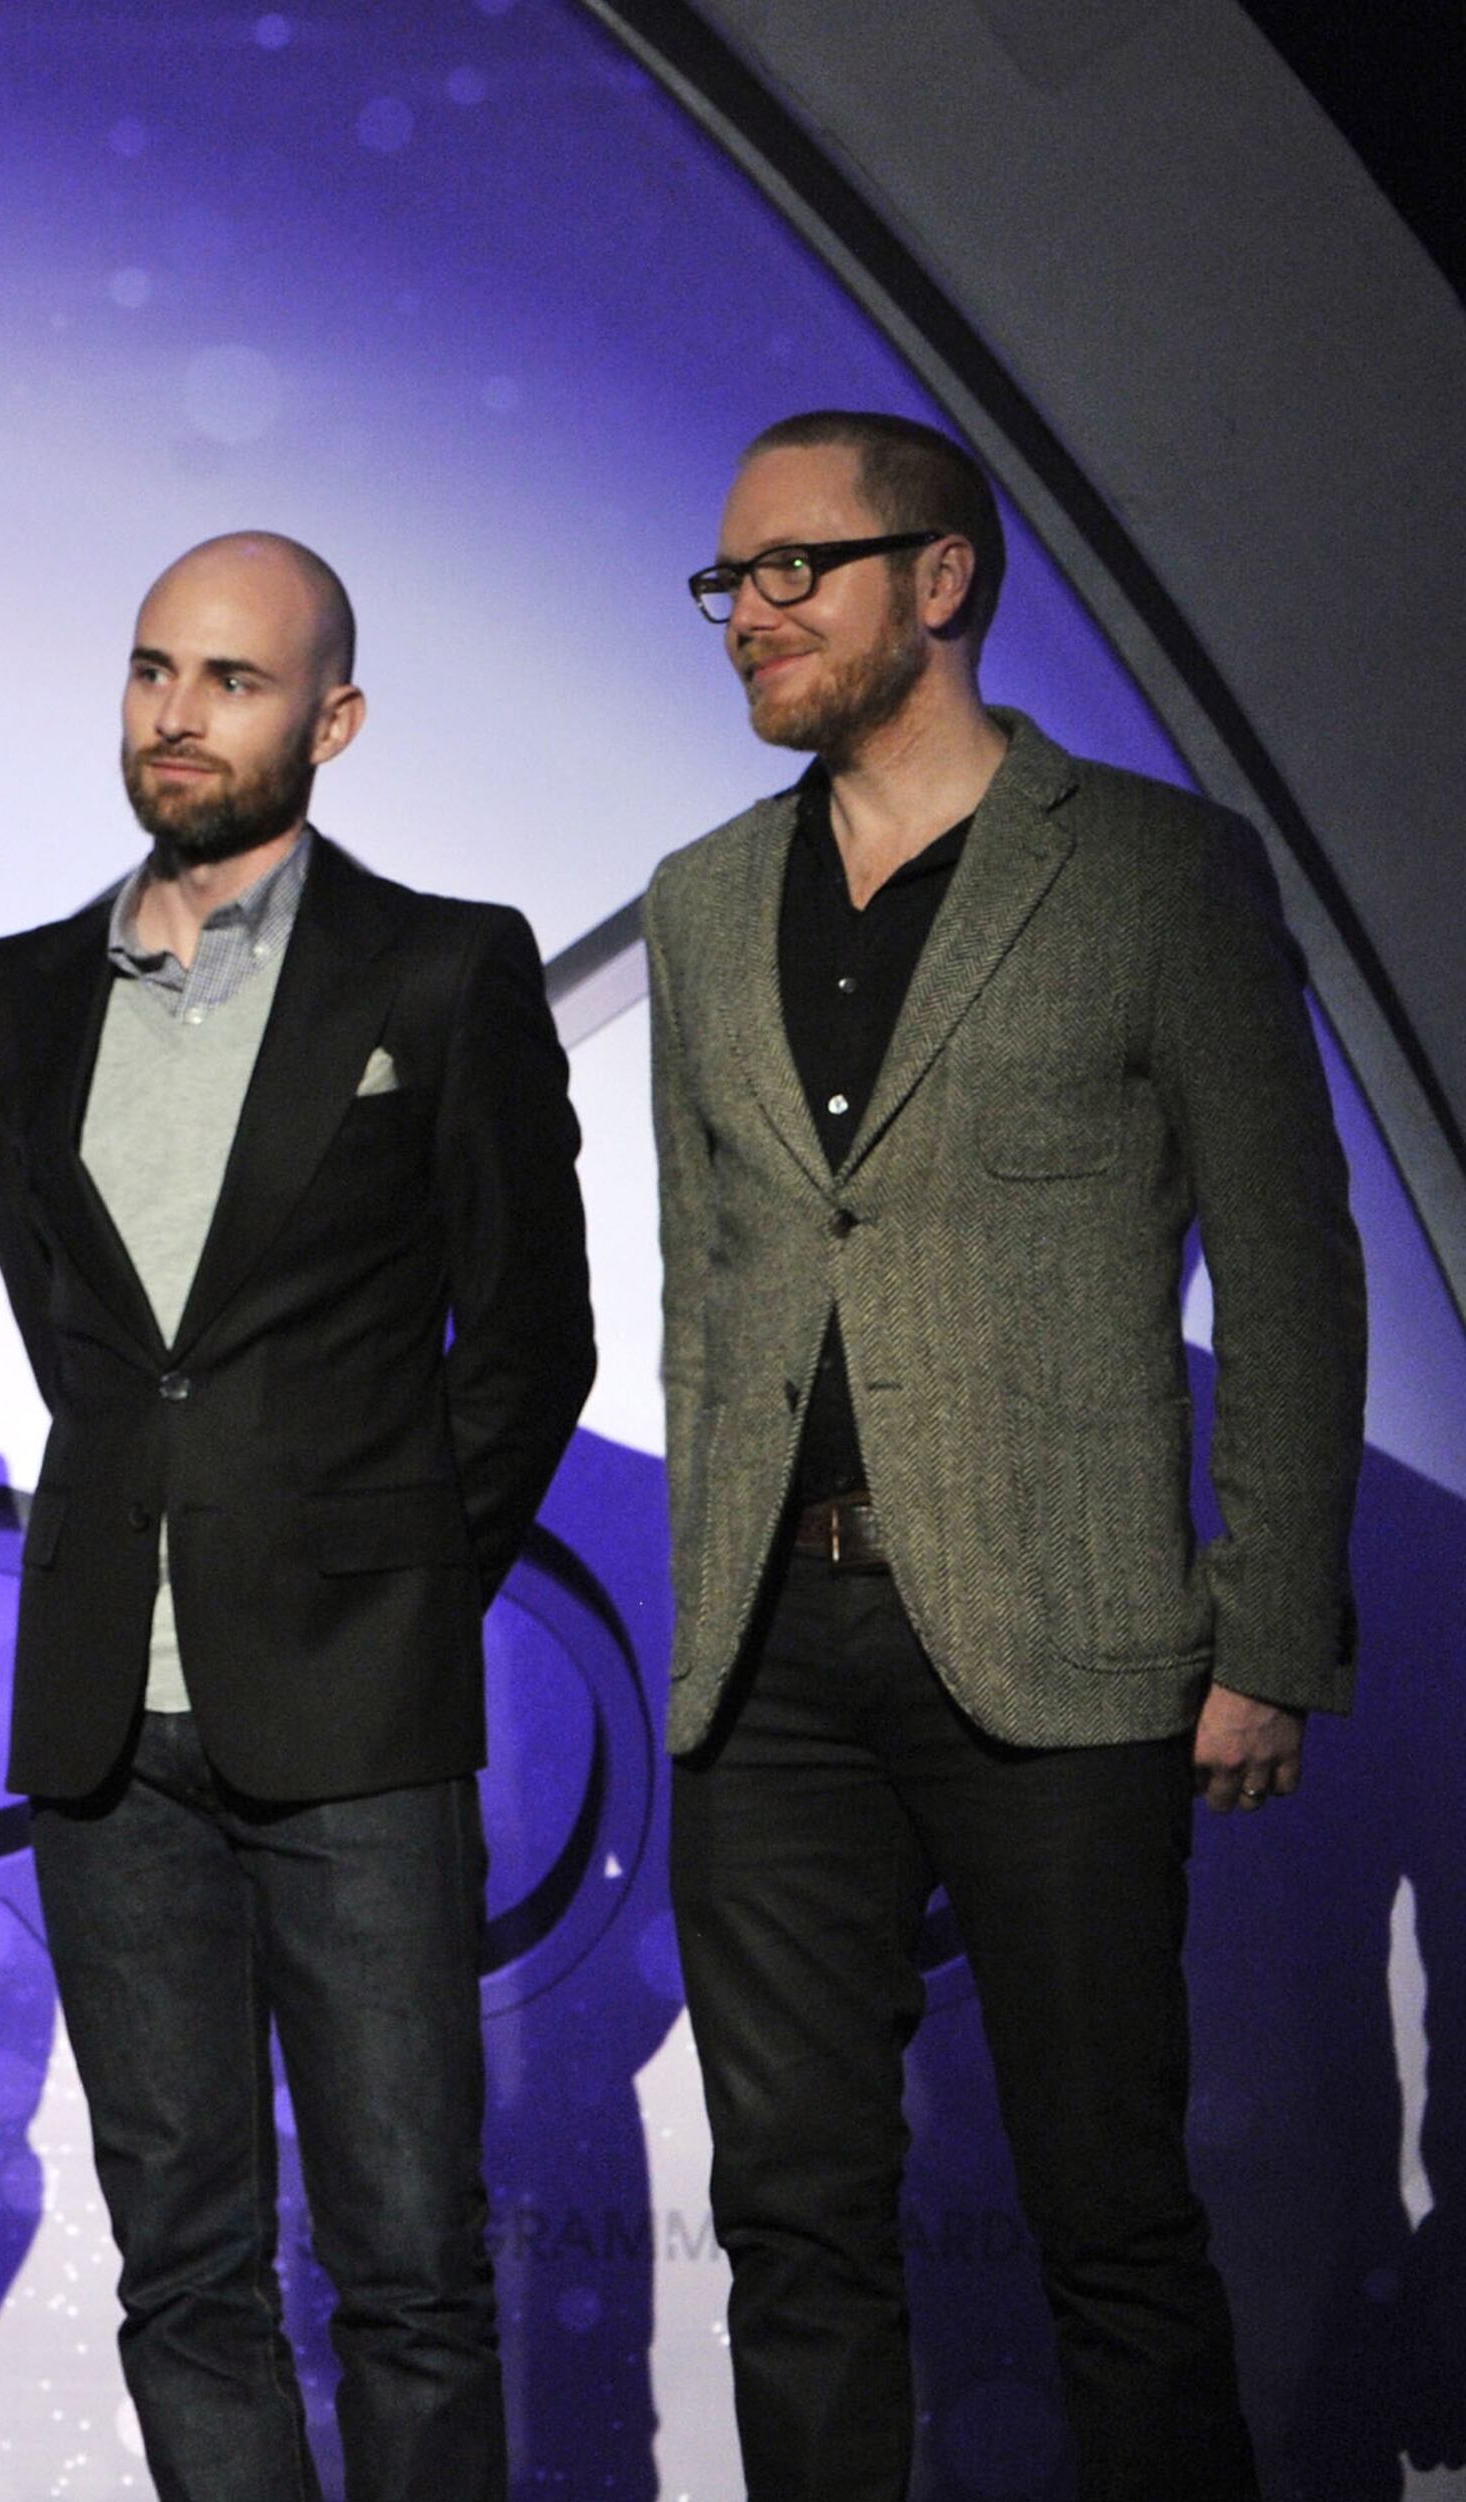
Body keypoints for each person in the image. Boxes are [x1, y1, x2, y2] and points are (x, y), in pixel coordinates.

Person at [644, 410, 1364, 2499]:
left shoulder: (1152, 870)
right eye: (731, 579)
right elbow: (710, 1283)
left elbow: (1292, 1264)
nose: (749, 614)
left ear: (941, 578)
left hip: (1067, 1637)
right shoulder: (700, 900)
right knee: (793, 2231)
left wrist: (1269, 1628)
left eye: (796, 569)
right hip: (771, 1665)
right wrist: (704, 1612)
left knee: (1110, 2219)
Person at [0, 532, 592, 2499]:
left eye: (233, 679)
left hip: (353, 1713)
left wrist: (394, 1588)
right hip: (103, 1716)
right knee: (183, 2270)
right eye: (155, 668)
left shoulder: (441, 966)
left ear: (337, 719)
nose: (178, 712)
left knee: (407, 2265)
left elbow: (533, 1337)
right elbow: (82, 1344)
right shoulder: (20, 991)